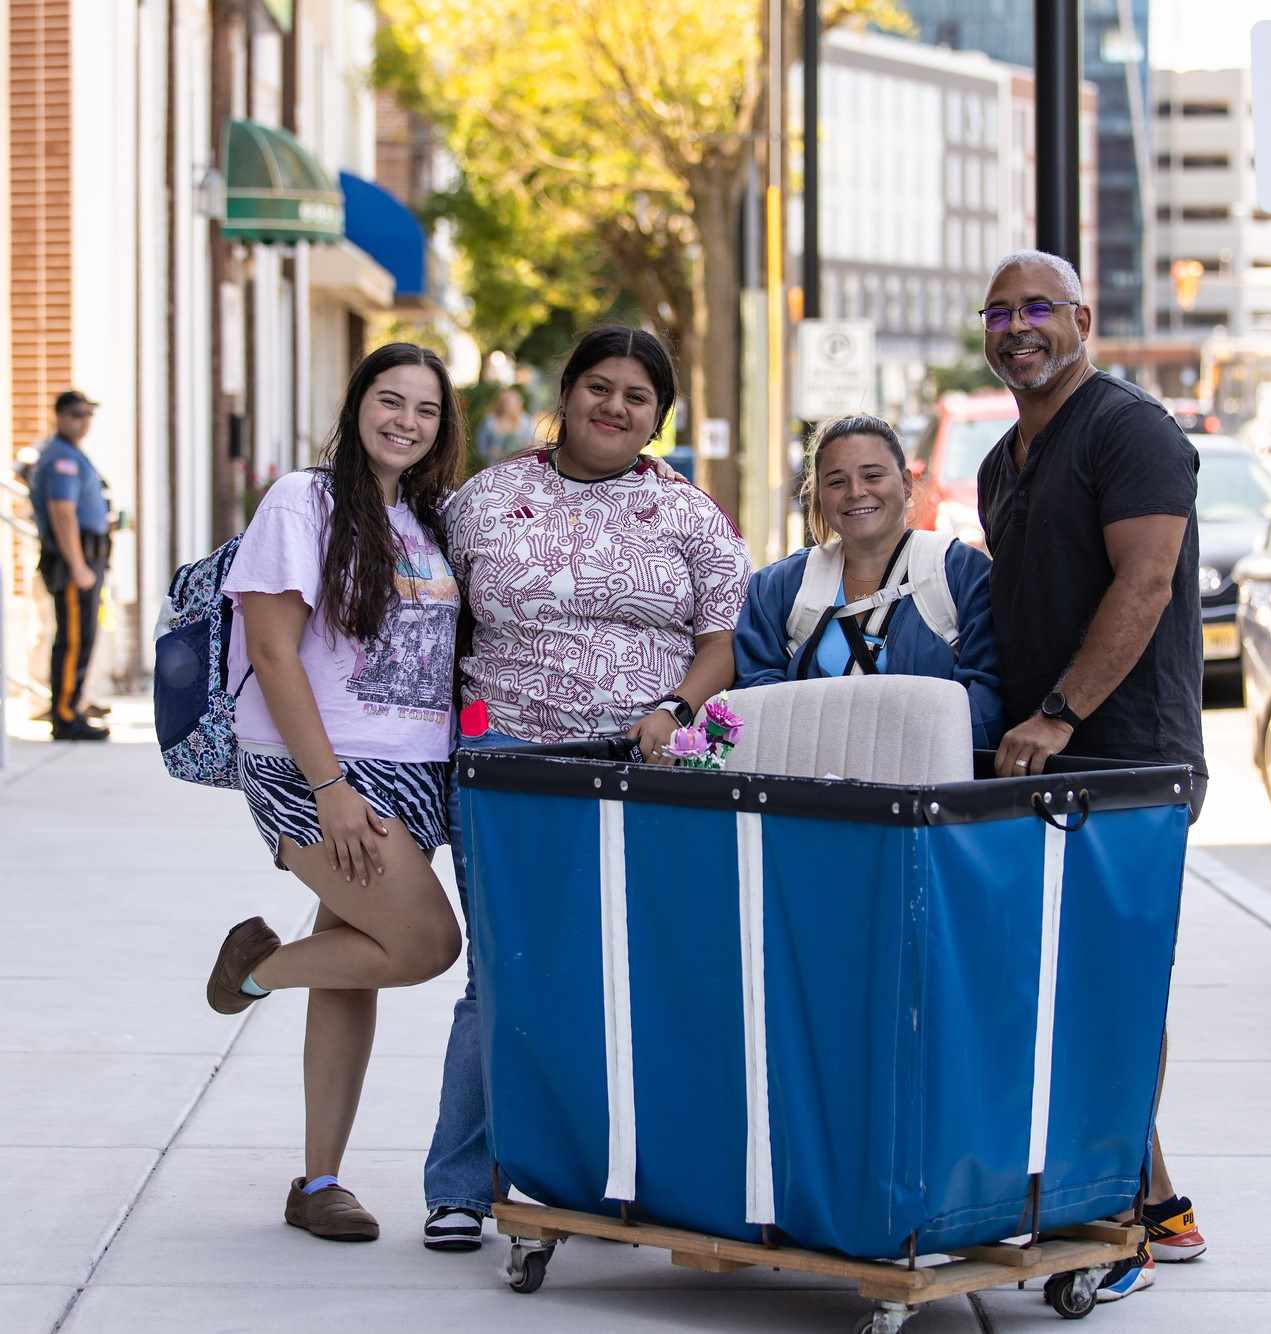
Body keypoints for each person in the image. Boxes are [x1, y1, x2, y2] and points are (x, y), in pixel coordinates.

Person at [422, 324, 752, 1252]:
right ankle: (462, 1184)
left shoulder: (692, 515)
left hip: (641, 765)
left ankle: (612, 1179)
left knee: (632, 974)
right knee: (505, 975)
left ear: (658, 418)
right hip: (511, 761)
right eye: (598, 387)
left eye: (636, 397)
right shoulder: (483, 502)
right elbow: (432, 634)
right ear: (564, 395)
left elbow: (722, 644)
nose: (614, 406)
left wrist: (673, 706)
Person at [974, 249, 1208, 1302]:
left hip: (1125, 757)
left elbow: (1148, 580)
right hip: (1036, 759)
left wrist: (1062, 713)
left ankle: (1120, 1221)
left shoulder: (1129, 430)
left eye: (1036, 307)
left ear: (1081, 316)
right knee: (1056, 985)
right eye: (997, 312)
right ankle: (1151, 1199)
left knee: (1105, 984)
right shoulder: (995, 463)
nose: (1016, 326)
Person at [205, 342, 465, 1243]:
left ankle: (319, 1181)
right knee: (426, 944)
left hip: (416, 773)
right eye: (390, 400)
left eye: (426, 410)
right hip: (321, 769)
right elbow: (274, 651)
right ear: (357, 406)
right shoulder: (303, 501)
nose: (406, 421)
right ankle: (252, 972)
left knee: (357, 963)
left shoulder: (429, 521)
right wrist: (330, 787)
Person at [733, 412, 1003, 748]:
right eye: (836, 482)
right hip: (809, 788)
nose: (856, 492)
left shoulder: (959, 572)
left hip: (929, 787)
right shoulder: (778, 588)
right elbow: (757, 698)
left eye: (872, 476)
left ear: (905, 483)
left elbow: (987, 696)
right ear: (820, 495)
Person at [27, 390, 113, 740]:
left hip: (86, 556)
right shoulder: (61, 458)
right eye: (77, 414)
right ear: (60, 416)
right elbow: (63, 513)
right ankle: (65, 714)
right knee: (74, 640)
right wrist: (78, 564)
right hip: (74, 559)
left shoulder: (71, 453)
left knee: (83, 637)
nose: (84, 421)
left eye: (88, 414)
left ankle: (73, 703)